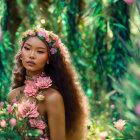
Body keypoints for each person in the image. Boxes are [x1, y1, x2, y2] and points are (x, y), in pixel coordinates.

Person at [8, 28, 89, 140]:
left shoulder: (52, 98)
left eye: (40, 51)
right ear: (21, 53)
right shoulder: (13, 95)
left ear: (48, 59)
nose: (31, 55)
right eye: (27, 48)